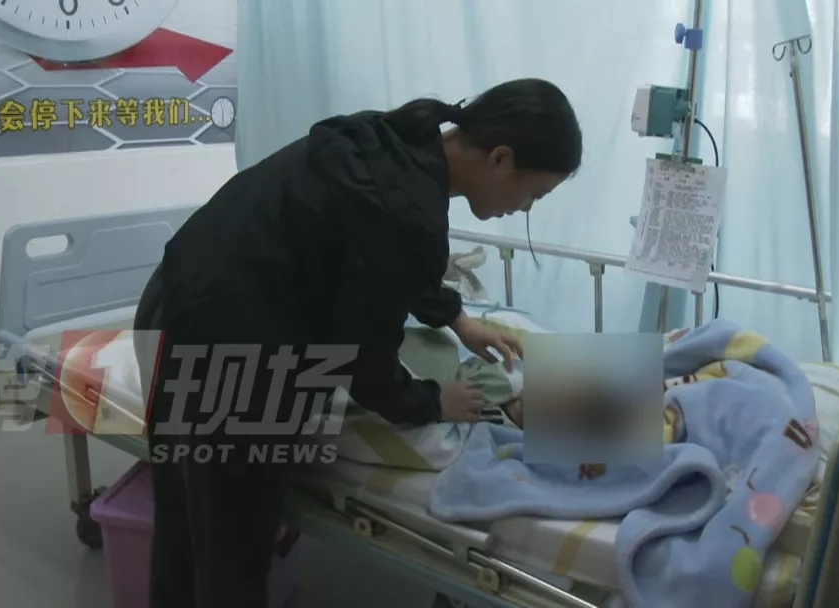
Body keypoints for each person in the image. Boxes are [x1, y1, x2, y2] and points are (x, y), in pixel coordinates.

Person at [133, 77, 583, 607]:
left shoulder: (395, 139)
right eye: (535, 194)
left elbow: (377, 257)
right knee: (230, 553)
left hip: (177, 297)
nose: (525, 209)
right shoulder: (407, 209)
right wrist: (432, 400)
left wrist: (458, 319)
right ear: (501, 158)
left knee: (182, 528)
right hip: (234, 352)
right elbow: (365, 364)